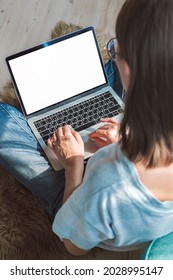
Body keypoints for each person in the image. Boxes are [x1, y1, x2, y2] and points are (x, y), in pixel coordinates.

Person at [1, 0, 173, 256]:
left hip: (81, 200)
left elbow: (72, 245)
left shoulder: (108, 181)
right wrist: (125, 137)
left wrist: (73, 163)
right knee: (104, 79)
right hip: (131, 201)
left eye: (115, 50)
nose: (113, 52)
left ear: (130, 68)